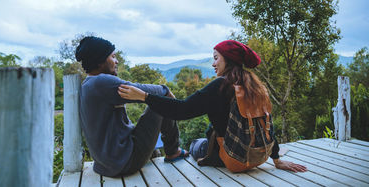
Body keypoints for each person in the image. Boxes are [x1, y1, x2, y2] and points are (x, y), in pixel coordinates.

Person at [118, 40, 307, 173]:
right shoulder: (254, 85)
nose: (214, 63)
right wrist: (276, 159)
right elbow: (266, 124)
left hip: (228, 157)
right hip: (257, 154)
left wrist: (145, 97)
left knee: (195, 144)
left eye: (216, 58)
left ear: (228, 59)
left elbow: (181, 110)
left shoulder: (220, 86)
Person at [75, 36, 188, 177]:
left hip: (106, 164)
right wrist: (165, 90)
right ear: (99, 61)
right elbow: (141, 89)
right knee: (160, 100)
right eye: (113, 56)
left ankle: (159, 152)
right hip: (124, 162)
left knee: (152, 104)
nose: (116, 61)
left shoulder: (89, 84)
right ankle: (173, 151)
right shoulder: (102, 82)